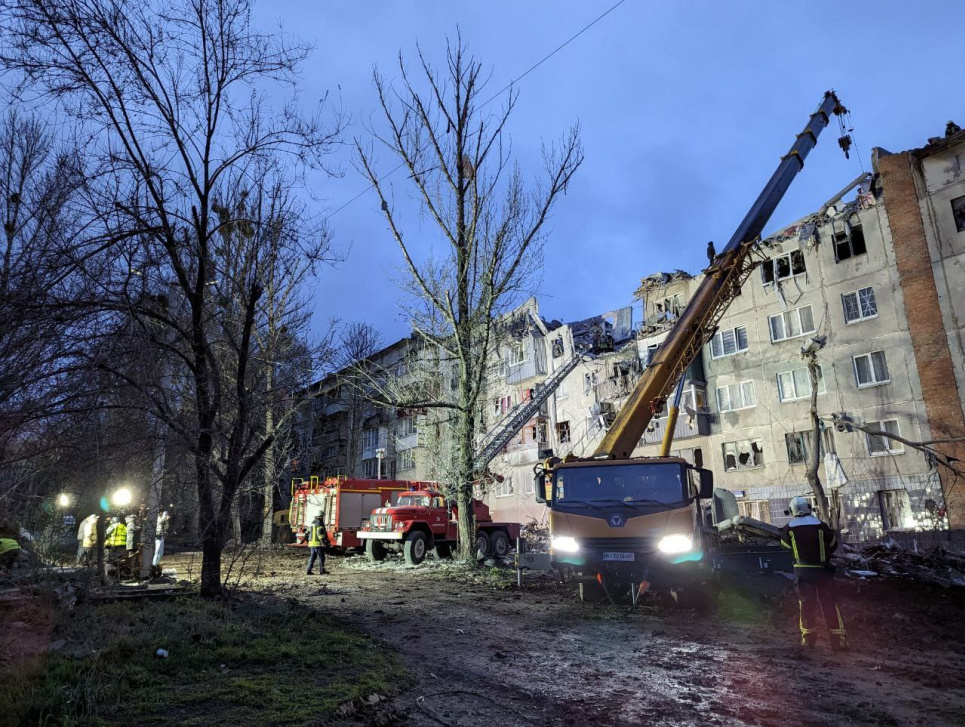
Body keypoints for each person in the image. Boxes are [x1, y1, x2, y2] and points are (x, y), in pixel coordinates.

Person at [780, 496, 847, 651]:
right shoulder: (821, 526)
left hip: (803, 572)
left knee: (806, 605)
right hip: (823, 571)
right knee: (829, 604)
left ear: (792, 511)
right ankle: (838, 640)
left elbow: (784, 545)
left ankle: (808, 640)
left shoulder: (789, 528)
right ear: (809, 507)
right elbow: (832, 544)